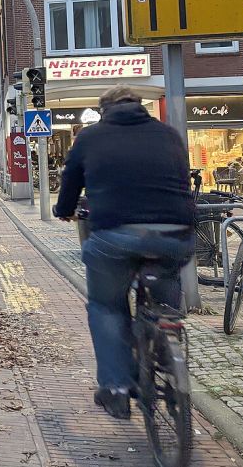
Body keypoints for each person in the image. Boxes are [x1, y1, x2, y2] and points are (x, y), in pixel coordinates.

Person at [53, 85, 194, 420]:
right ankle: (167, 339)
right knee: (166, 277)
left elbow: (71, 183)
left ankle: (116, 388)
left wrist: (64, 210)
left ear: (104, 110)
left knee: (106, 306)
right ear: (141, 106)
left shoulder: (90, 137)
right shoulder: (169, 135)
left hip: (115, 236)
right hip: (175, 234)